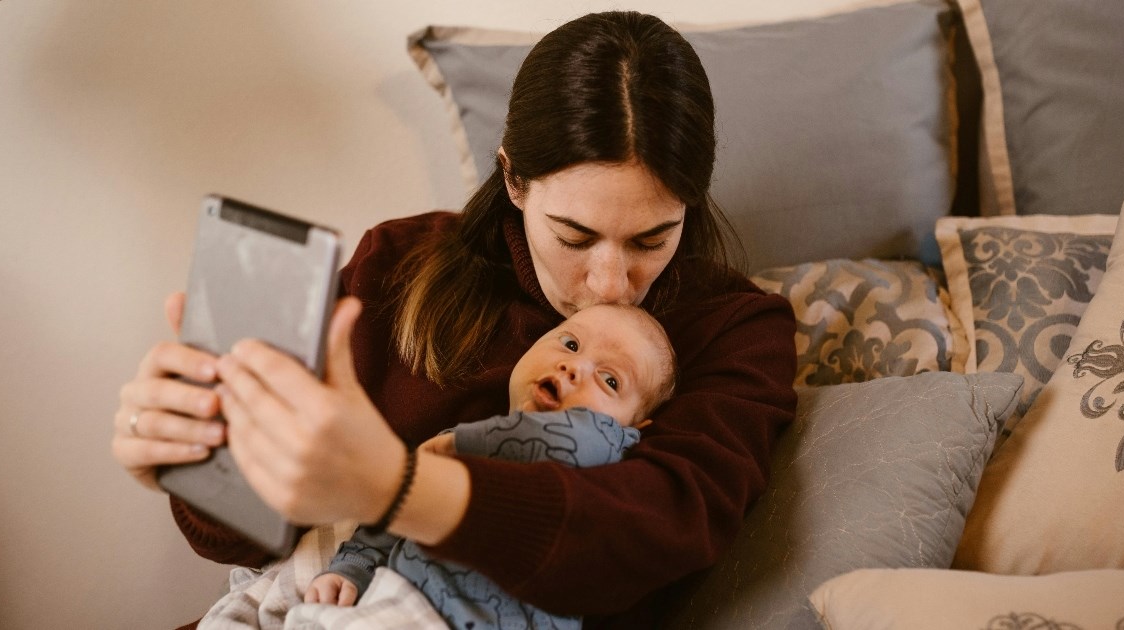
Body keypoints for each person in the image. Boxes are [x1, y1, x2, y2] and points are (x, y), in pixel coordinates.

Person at [112, 9, 797, 628]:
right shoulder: (402, 263)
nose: (611, 285)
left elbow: (653, 532)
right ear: (512, 180)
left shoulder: (735, 330)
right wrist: (195, 456)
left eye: (652, 239)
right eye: (575, 236)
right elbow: (230, 540)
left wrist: (397, 485)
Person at [303, 304, 675, 629]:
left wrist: (462, 445)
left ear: (631, 430)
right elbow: (392, 513)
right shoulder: (464, 437)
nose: (574, 367)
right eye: (570, 344)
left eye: (610, 380)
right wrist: (351, 569)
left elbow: (570, 439)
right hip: (390, 600)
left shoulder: (605, 457)